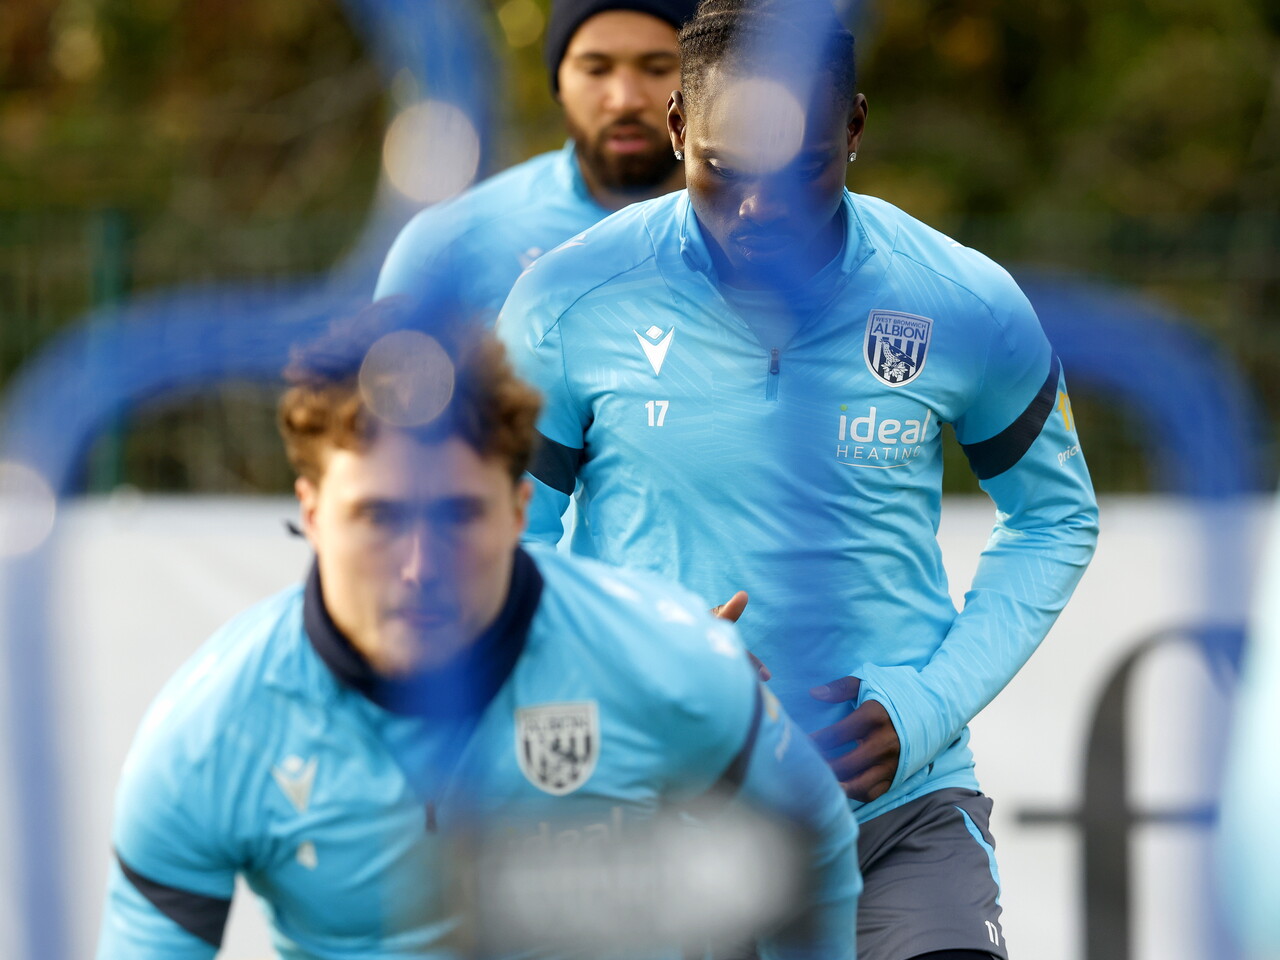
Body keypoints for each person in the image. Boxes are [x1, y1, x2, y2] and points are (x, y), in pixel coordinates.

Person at [496, 1, 1099, 957]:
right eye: (725, 169)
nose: (759, 210)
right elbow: (497, 545)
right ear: (678, 128)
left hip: (895, 817)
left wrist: (923, 706)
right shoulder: (568, 302)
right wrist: (634, 662)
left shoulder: (962, 300)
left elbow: (1054, 520)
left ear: (853, 128)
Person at [95, 301, 860, 960]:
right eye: (378, 517)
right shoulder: (211, 732)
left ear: (520, 511)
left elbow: (815, 848)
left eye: (458, 514)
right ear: (313, 512)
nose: (419, 566)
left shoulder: (668, 657)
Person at [374, 0, 698, 322]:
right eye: (596, 69)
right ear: (559, 82)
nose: (625, 100)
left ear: (704, 81)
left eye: (658, 68)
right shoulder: (445, 251)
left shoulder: (731, 230)